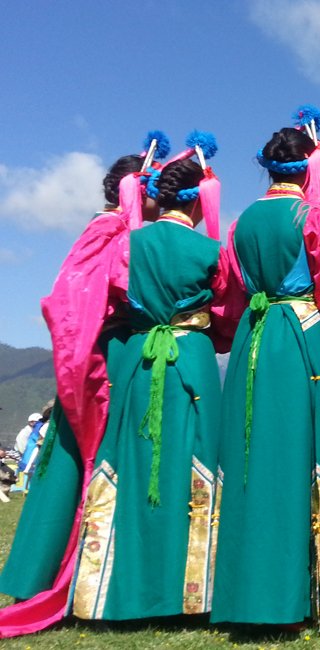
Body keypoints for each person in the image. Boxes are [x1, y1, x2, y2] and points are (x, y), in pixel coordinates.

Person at [0, 133, 168, 636]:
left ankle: (93, 576)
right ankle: (67, 578)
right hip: (101, 359)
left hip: (103, 354)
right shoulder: (109, 229)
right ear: (136, 190)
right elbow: (68, 300)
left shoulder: (119, 229)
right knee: (83, 464)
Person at [68, 131, 239, 622]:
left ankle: (113, 591)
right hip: (194, 358)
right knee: (198, 466)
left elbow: (111, 299)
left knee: (129, 462)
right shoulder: (211, 253)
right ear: (200, 200)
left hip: (139, 357)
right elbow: (226, 311)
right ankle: (193, 596)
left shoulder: (129, 243)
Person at [211, 107, 320, 631]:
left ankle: (242, 595)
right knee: (301, 459)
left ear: (266, 168)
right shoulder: (313, 219)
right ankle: (300, 594)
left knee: (249, 460)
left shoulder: (240, 223)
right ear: (308, 169)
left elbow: (226, 297)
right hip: (301, 336)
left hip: (254, 337)